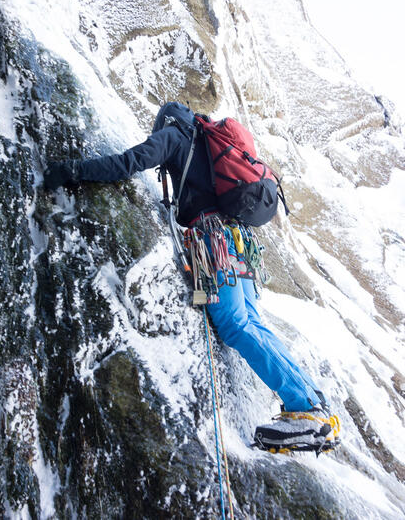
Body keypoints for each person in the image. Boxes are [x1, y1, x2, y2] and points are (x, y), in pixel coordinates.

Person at [44, 101, 340, 454]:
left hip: (212, 241)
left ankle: (304, 409)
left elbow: (128, 163)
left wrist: (71, 170)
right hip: (238, 241)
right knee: (253, 323)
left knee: (235, 325)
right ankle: (312, 402)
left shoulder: (175, 135)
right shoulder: (209, 137)